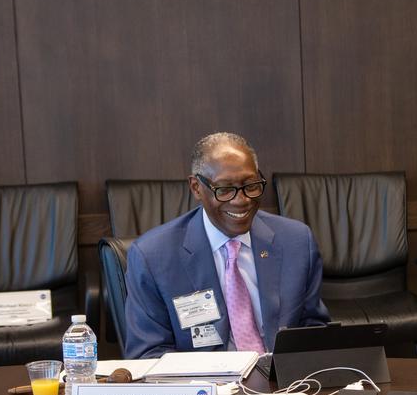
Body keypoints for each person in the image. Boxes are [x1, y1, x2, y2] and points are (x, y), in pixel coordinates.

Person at [123, 132, 329, 359]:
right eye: (225, 189)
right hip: (204, 387)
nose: (241, 200)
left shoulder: (296, 241)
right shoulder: (153, 256)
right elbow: (148, 354)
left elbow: (314, 332)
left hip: (282, 386)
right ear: (196, 188)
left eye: (250, 185)